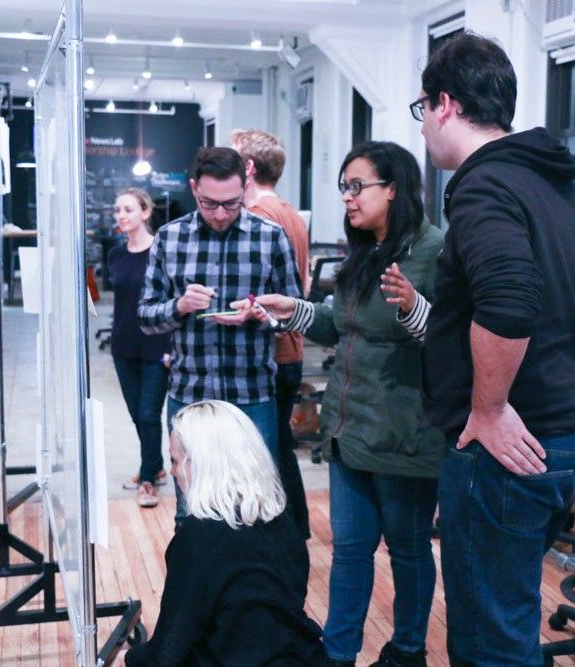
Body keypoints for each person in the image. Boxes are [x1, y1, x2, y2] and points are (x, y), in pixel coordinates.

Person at [406, 32, 575, 665]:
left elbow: (509, 296)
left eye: (422, 111)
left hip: (506, 445)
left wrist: (490, 407)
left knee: (489, 637)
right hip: (563, 432)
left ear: (444, 104)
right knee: (509, 616)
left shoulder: (484, 186)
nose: (424, 128)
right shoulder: (559, 184)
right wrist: (558, 345)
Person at [239, 141, 445, 667]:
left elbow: (449, 342)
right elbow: (340, 326)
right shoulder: (367, 251)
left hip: (405, 432)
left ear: (393, 189)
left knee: (408, 551)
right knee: (350, 550)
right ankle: (338, 653)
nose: (348, 198)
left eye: (357, 186)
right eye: (344, 187)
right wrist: (293, 310)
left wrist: (414, 306)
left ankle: (408, 651)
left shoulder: (434, 250)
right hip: (348, 430)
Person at [138, 146, 303, 521]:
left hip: (252, 394)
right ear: (194, 188)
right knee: (190, 511)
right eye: (209, 203)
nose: (220, 214)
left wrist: (262, 315)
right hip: (190, 395)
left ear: (245, 187)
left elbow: (295, 316)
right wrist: (179, 306)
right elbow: (146, 317)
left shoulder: (271, 237)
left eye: (231, 203)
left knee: (258, 508)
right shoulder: (170, 238)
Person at [124, 400, 327, 667]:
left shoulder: (197, 538)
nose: (172, 471)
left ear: (201, 464)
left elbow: (169, 649)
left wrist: (130, 658)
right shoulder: (283, 522)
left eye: (175, 461)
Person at [230, 128, 312, 540]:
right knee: (278, 447)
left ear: (247, 168)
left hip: (274, 351)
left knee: (269, 452)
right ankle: (294, 534)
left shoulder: (260, 217)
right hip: (288, 349)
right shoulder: (289, 212)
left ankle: (287, 537)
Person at [107, 188, 171, 508]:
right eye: (118, 210)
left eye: (128, 209)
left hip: (156, 344)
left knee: (149, 413)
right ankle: (155, 466)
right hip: (123, 344)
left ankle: (148, 480)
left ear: (146, 213)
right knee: (137, 414)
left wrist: (172, 347)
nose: (121, 215)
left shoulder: (163, 252)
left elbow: (172, 300)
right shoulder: (115, 255)